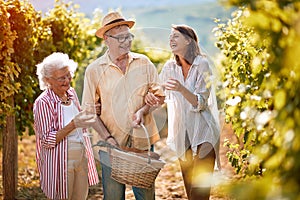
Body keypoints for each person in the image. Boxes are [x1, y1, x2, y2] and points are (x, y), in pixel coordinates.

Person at [81, 11, 164, 200]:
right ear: (106, 39)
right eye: (120, 38)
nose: (126, 42)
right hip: (111, 144)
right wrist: (108, 139)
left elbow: (159, 97)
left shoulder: (144, 63)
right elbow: (89, 111)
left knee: (146, 195)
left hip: (141, 140)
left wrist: (146, 108)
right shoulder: (94, 70)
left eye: (128, 36)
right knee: (113, 196)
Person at [145, 25, 221, 200]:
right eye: (170, 36)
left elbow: (201, 102)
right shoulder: (169, 67)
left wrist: (181, 88)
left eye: (176, 36)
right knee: (190, 189)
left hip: (204, 132)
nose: (171, 40)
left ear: (188, 40)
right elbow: (160, 96)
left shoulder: (202, 64)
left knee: (200, 192)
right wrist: (149, 102)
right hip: (182, 134)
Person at [33, 52, 99, 200]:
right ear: (48, 80)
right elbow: (47, 141)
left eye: (68, 75)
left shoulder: (71, 93)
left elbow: (80, 119)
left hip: (81, 155)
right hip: (61, 159)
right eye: (61, 78)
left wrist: (92, 112)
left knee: (80, 197)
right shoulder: (43, 102)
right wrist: (73, 124)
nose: (67, 80)